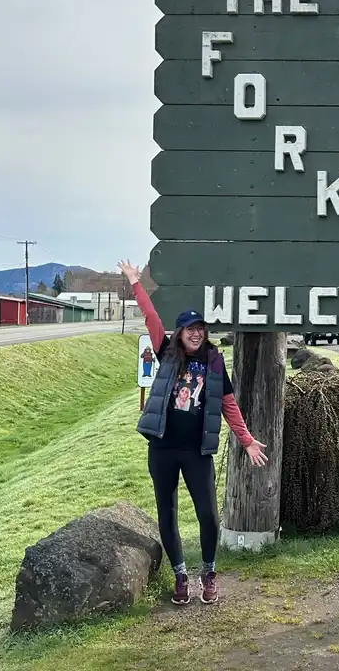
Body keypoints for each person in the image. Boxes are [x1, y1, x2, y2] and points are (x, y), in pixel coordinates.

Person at [119, 260, 268, 606]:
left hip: (198, 452)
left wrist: (245, 440)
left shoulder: (214, 362)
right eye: (189, 328)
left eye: (200, 328)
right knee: (167, 512)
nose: (196, 333)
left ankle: (209, 573)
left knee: (208, 515)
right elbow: (151, 319)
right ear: (180, 332)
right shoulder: (166, 353)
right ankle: (180, 576)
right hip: (163, 449)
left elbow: (228, 404)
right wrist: (135, 284)